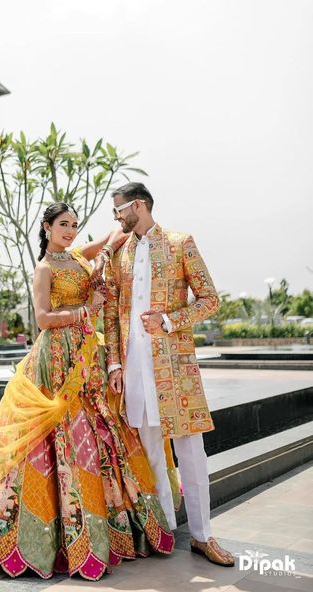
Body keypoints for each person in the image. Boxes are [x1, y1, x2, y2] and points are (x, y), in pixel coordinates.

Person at [0, 202, 179, 581]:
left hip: (87, 358)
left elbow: (115, 236)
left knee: (99, 429)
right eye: (63, 224)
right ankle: (43, 534)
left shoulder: (77, 257)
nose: (70, 230)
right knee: (57, 435)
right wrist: (86, 309)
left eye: (74, 224)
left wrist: (102, 254)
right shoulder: (44, 268)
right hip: (55, 359)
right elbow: (41, 319)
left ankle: (109, 524)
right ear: (47, 227)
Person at [104, 183, 235, 567]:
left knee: (190, 453)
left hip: (174, 369)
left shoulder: (180, 243)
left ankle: (202, 535)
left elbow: (210, 299)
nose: (116, 218)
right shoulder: (120, 255)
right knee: (150, 455)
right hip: (133, 370)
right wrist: (114, 363)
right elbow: (111, 316)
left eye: (119, 211)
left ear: (138, 206)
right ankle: (162, 533)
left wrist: (167, 320)